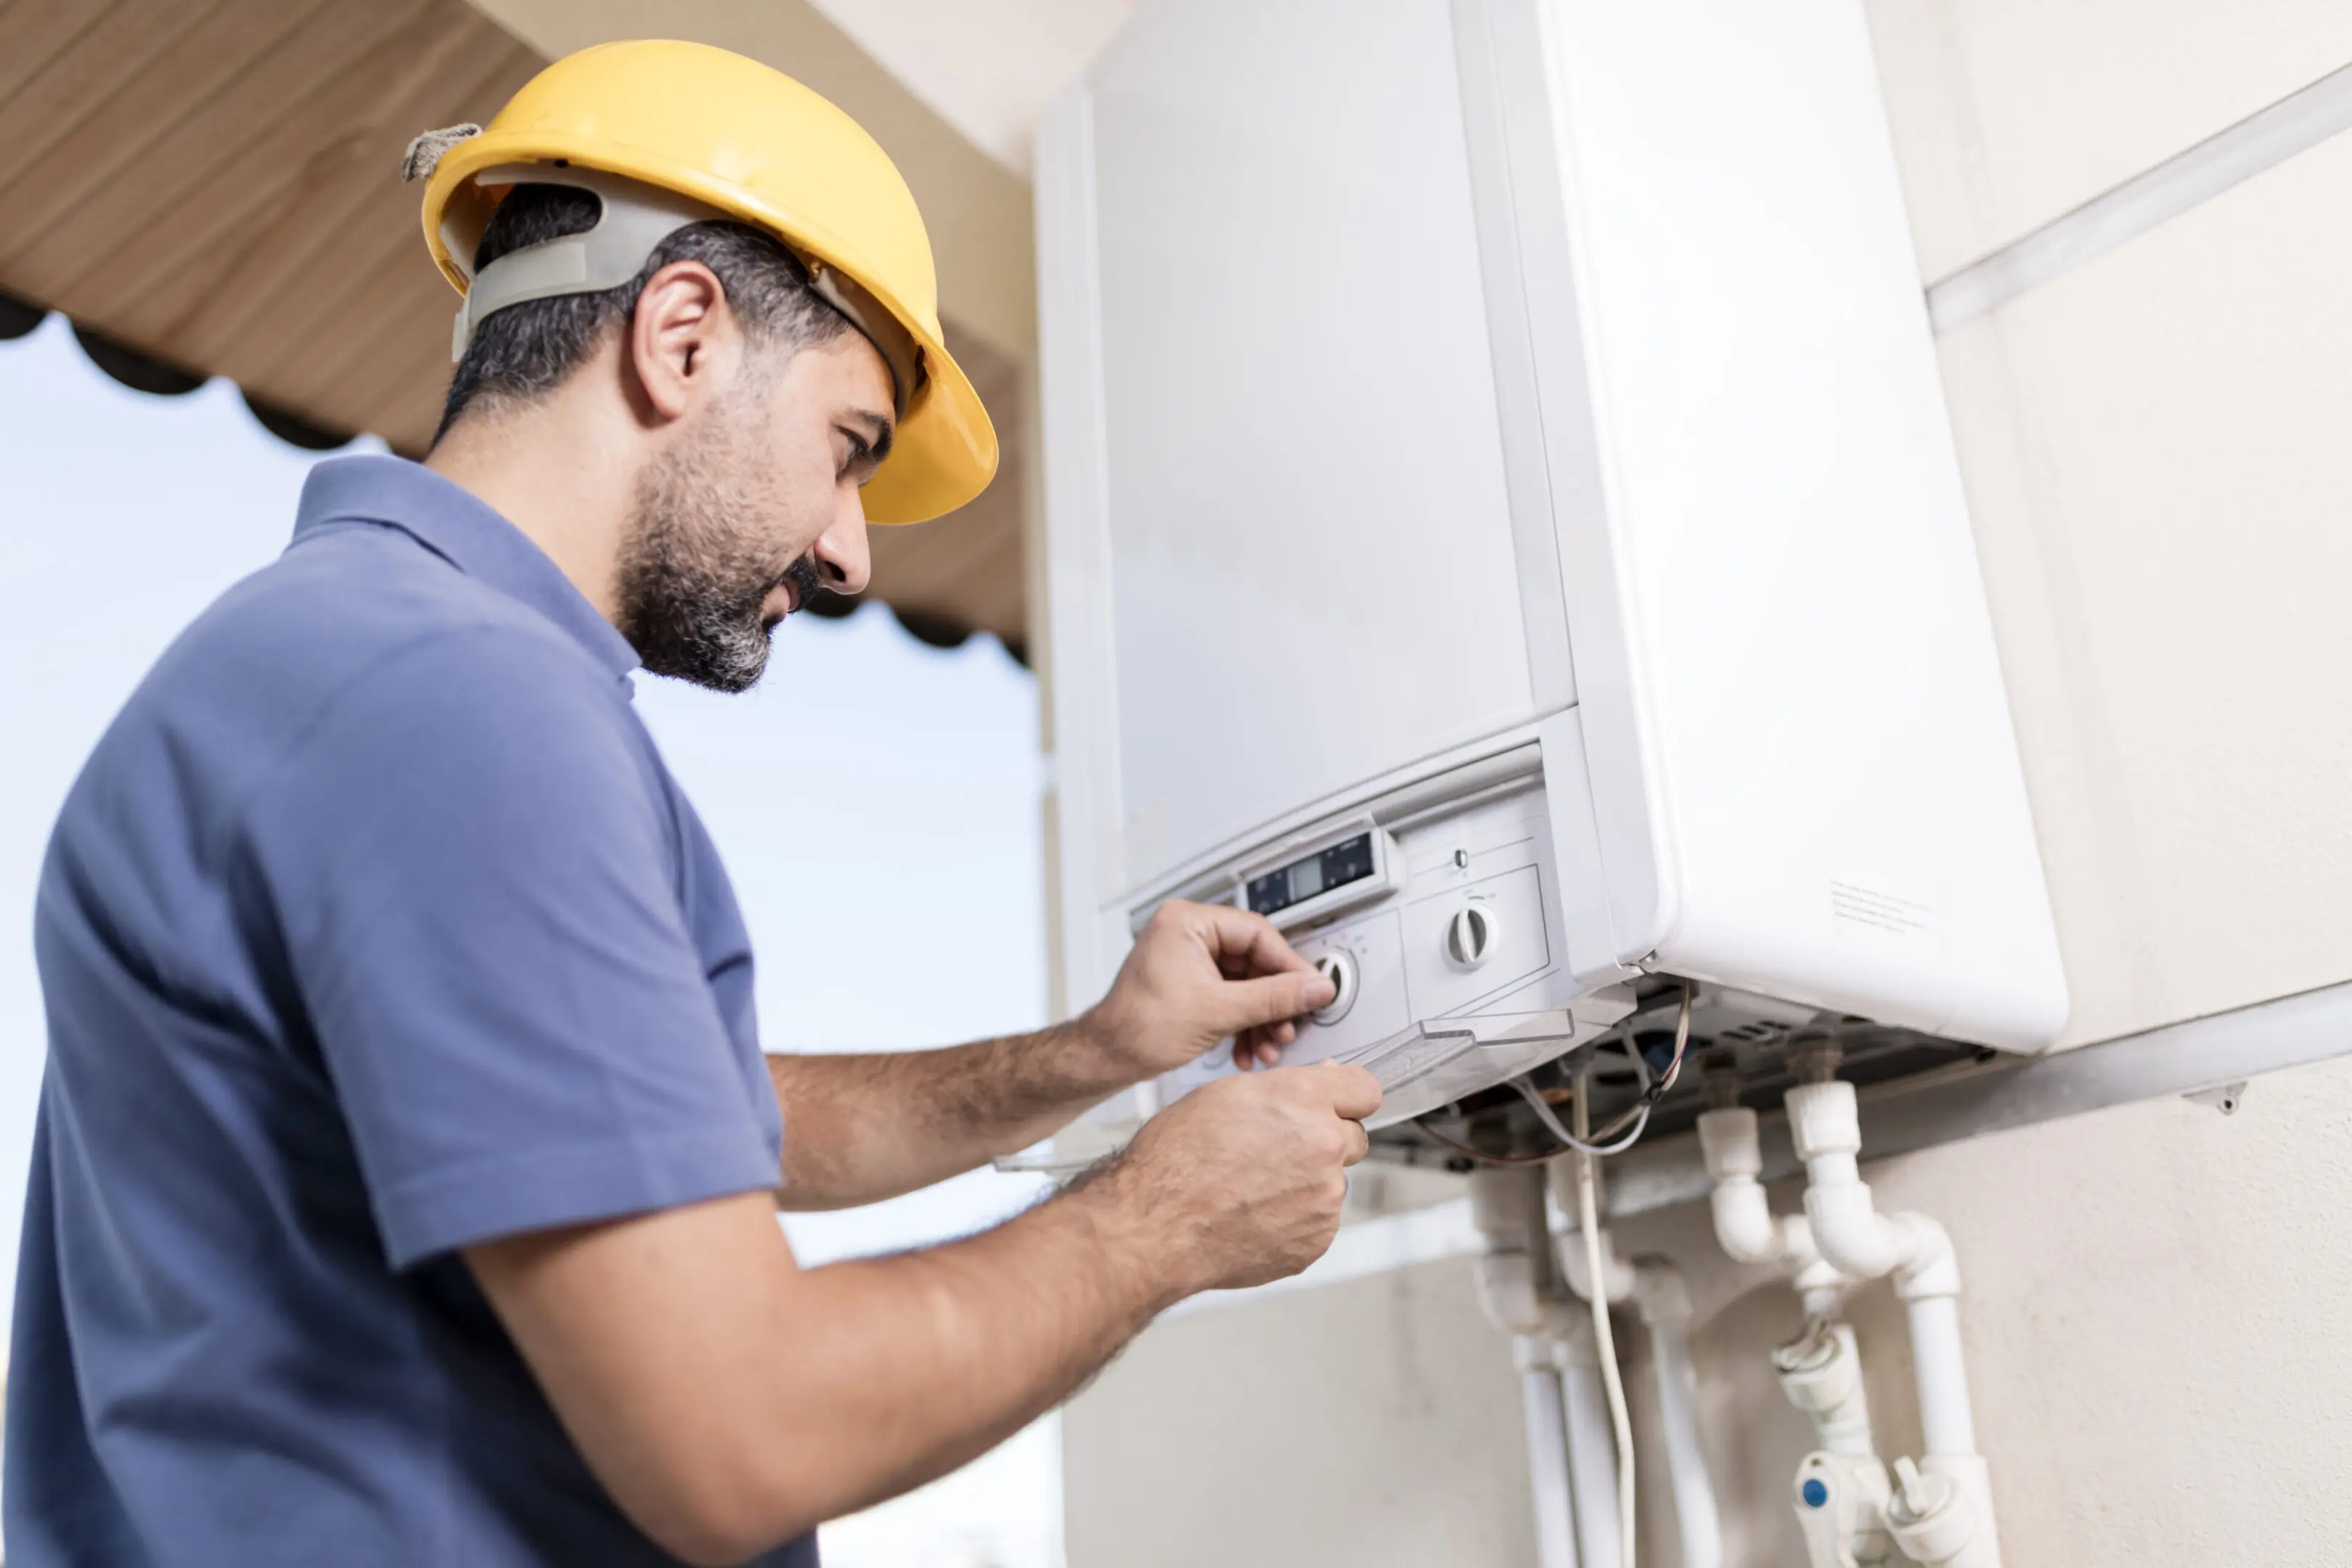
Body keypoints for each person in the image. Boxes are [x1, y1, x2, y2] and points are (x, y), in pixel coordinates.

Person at [3, 40, 1381, 1568]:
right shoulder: (453, 702)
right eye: (849, 449)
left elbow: (663, 1111)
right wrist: (1165, 1221)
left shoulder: (353, 661)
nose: (852, 553)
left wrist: (1099, 1054)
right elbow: (744, 1433)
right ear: (680, 336)